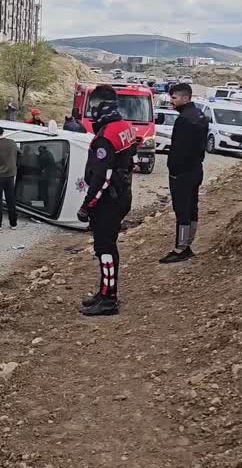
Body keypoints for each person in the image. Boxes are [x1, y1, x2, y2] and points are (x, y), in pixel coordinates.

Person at [77, 86, 137, 317]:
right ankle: (105, 292)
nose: (91, 111)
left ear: (102, 105)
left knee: (105, 249)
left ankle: (109, 299)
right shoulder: (124, 127)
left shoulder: (106, 137)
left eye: (94, 105)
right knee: (106, 247)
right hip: (121, 195)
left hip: (108, 201)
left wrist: (87, 205)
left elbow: (103, 177)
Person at [160, 82, 208, 264]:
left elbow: (180, 150)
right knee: (192, 207)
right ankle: (188, 243)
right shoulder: (200, 115)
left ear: (185, 98)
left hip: (183, 173)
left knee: (182, 210)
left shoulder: (185, 119)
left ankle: (181, 248)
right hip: (196, 169)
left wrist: (174, 171)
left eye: (174, 97)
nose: (171, 101)